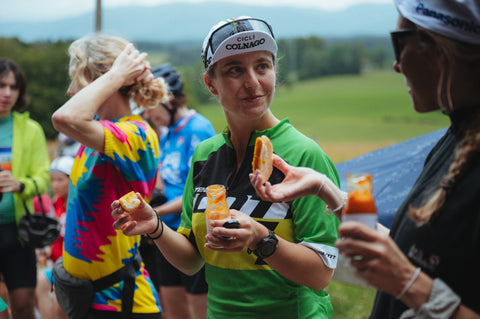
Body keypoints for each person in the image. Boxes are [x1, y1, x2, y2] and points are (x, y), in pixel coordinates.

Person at [252, 1, 480, 318]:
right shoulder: (456, 139)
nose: (396, 65)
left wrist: (406, 281)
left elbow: (411, 272)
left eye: (399, 44)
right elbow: (418, 252)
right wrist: (323, 188)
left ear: (441, 48)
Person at [112, 16, 340, 319]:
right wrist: (154, 225)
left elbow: (321, 273)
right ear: (211, 84)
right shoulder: (205, 155)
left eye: (262, 66)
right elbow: (193, 259)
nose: (252, 82)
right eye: (235, 70)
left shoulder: (304, 155)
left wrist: (261, 238)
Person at [51, 34, 169, 319]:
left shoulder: (137, 135)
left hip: (121, 305)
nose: (70, 91)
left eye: (76, 79)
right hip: (88, 299)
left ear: (102, 80)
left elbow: (63, 118)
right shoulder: (97, 132)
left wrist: (115, 74)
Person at [139, 63, 214, 319]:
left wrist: (154, 212)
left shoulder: (198, 129)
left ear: (168, 99)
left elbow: (198, 192)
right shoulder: (167, 133)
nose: (148, 115)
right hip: (165, 233)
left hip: (191, 234)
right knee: (171, 309)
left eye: (150, 106)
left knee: (200, 309)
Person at [0, 58, 51, 319]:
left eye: (13, 87)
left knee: (22, 305)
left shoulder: (30, 129)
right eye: (1, 85)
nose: (7, 93)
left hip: (19, 232)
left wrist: (21, 185)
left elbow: (43, 177)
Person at [35, 155, 74, 319]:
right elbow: (54, 240)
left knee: (59, 298)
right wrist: (44, 250)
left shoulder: (78, 205)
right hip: (58, 266)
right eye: (52, 180)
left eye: (60, 180)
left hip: (74, 267)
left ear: (72, 180)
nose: (54, 185)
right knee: (39, 281)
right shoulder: (56, 204)